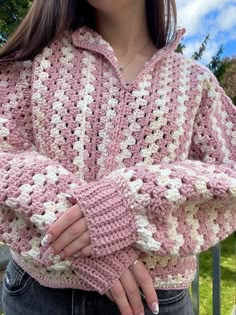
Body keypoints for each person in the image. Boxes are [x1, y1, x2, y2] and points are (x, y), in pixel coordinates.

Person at [0, 0, 235, 314]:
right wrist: (79, 229)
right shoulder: (36, 61)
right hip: (39, 294)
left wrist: (126, 203)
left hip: (154, 299)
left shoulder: (195, 83)